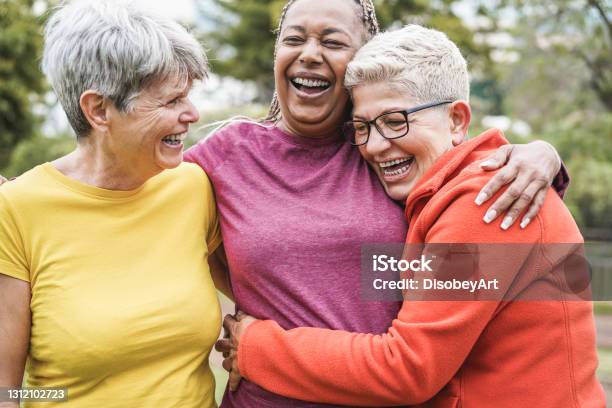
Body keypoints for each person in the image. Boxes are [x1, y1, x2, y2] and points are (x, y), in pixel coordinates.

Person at [183, 0, 568, 406]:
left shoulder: (386, 152)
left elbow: (473, 203)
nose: (310, 53)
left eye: (332, 41)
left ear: (358, 60)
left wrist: (542, 155)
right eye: (293, 39)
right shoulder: (227, 156)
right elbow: (147, 204)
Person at [0, 1, 224, 407]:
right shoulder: (16, 210)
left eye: (187, 97)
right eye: (171, 101)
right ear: (99, 109)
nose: (192, 114)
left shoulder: (193, 187)